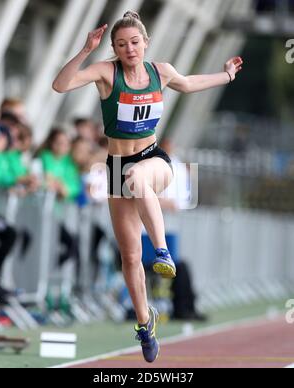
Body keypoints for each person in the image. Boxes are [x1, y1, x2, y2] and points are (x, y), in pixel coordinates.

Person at [52, 11, 243, 363]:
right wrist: (84, 50)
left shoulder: (161, 71)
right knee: (128, 256)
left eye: (135, 43)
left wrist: (226, 75)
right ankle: (144, 322)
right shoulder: (107, 72)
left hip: (154, 160)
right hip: (116, 166)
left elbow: (188, 83)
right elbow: (61, 85)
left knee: (139, 177)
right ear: (114, 48)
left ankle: (161, 252)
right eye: (121, 44)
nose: (129, 49)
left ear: (146, 43)